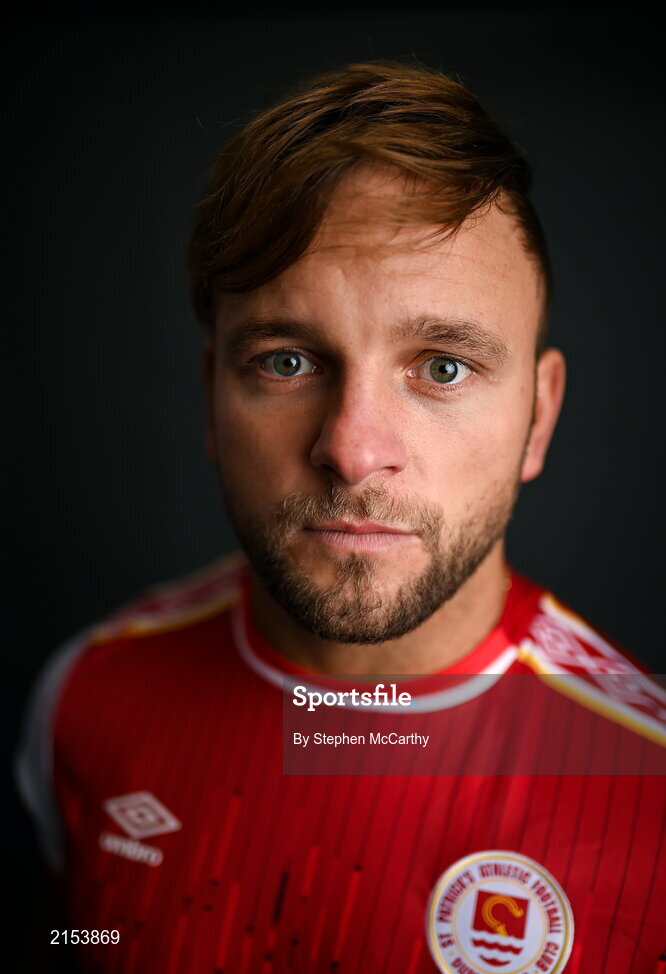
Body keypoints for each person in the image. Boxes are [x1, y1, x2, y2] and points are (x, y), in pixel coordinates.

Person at [17, 61, 665, 974]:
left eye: (442, 367)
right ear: (211, 399)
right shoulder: (83, 702)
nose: (354, 451)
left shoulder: (651, 789)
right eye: (286, 362)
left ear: (539, 417)